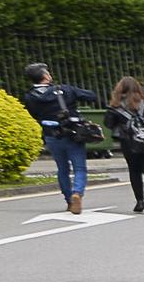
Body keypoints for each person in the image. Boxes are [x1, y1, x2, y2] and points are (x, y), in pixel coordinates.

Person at [21, 63, 98, 215]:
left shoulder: (30, 97)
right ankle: (77, 192)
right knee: (79, 168)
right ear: (45, 76)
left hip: (51, 135)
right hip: (72, 134)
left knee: (62, 169)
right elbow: (92, 96)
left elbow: (34, 115)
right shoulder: (65, 90)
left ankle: (69, 200)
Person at [104, 76, 144, 214]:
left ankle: (139, 202)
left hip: (129, 143)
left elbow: (108, 124)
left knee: (135, 171)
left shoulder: (116, 106)